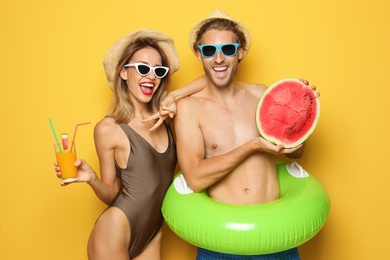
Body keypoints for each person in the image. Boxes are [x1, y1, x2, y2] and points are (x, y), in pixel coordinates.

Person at [172, 10, 318, 260]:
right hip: (221, 243)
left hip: (277, 237)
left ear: (239, 52)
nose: (219, 59)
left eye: (227, 49)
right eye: (209, 51)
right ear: (199, 54)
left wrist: (300, 117)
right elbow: (194, 178)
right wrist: (252, 146)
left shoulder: (262, 94)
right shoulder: (189, 108)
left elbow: (297, 151)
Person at [54, 29, 204, 260]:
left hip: (153, 231)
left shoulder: (166, 118)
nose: (151, 77)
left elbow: (210, 82)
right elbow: (112, 193)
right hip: (115, 229)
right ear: (124, 72)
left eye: (158, 71)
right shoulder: (109, 129)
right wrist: (92, 179)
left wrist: (174, 96)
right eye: (143, 68)